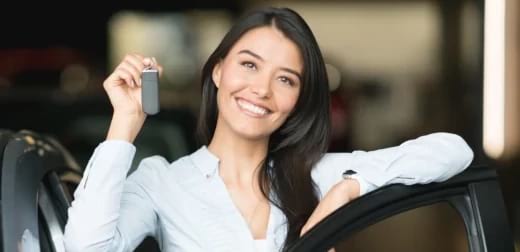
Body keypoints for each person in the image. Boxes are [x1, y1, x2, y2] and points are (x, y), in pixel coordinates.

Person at [63, 6, 474, 252]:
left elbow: (454, 150)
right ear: (219, 71)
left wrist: (347, 190)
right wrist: (126, 122)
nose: (261, 89)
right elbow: (85, 247)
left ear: (297, 100)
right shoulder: (161, 181)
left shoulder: (317, 176)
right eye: (249, 64)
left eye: (286, 79)